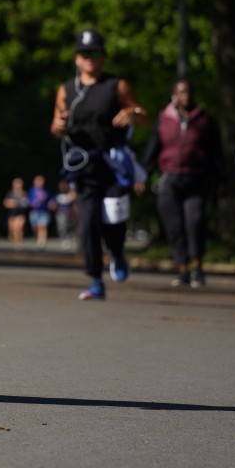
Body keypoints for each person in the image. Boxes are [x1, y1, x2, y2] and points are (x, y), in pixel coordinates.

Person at [50, 29, 149, 300]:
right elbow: (55, 128)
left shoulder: (117, 86)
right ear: (76, 58)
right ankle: (95, 278)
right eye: (84, 53)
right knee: (88, 222)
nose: (90, 57)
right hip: (83, 166)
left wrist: (132, 113)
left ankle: (117, 252)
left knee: (113, 219)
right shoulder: (67, 89)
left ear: (104, 57)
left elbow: (144, 117)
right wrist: (59, 124)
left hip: (113, 163)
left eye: (95, 52)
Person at [143, 79, 225, 288]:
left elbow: (216, 151)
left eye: (188, 92)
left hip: (197, 178)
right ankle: (182, 268)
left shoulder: (204, 119)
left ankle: (197, 267)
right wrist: (143, 175)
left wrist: (221, 179)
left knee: (194, 221)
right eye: (181, 92)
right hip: (169, 178)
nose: (185, 96)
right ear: (174, 96)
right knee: (174, 226)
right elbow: (153, 148)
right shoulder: (164, 119)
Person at [2, 177, 30, 243]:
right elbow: (5, 203)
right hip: (12, 212)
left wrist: (23, 203)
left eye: (20, 183)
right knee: (12, 228)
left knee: (19, 227)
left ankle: (19, 241)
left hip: (21, 212)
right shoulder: (10, 193)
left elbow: (27, 203)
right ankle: (13, 238)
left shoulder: (24, 193)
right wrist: (11, 204)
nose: (18, 185)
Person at [27, 174, 52, 245]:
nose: (40, 183)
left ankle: (42, 241)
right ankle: (37, 236)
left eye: (41, 181)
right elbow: (28, 200)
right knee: (35, 227)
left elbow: (51, 199)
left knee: (43, 226)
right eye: (38, 181)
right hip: (34, 212)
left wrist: (51, 203)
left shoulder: (46, 191)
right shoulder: (32, 191)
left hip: (43, 212)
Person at [53, 179, 77, 249]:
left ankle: (68, 239)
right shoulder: (57, 194)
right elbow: (54, 204)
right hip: (60, 213)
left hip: (69, 213)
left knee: (69, 227)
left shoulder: (70, 193)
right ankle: (64, 239)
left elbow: (73, 201)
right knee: (61, 227)